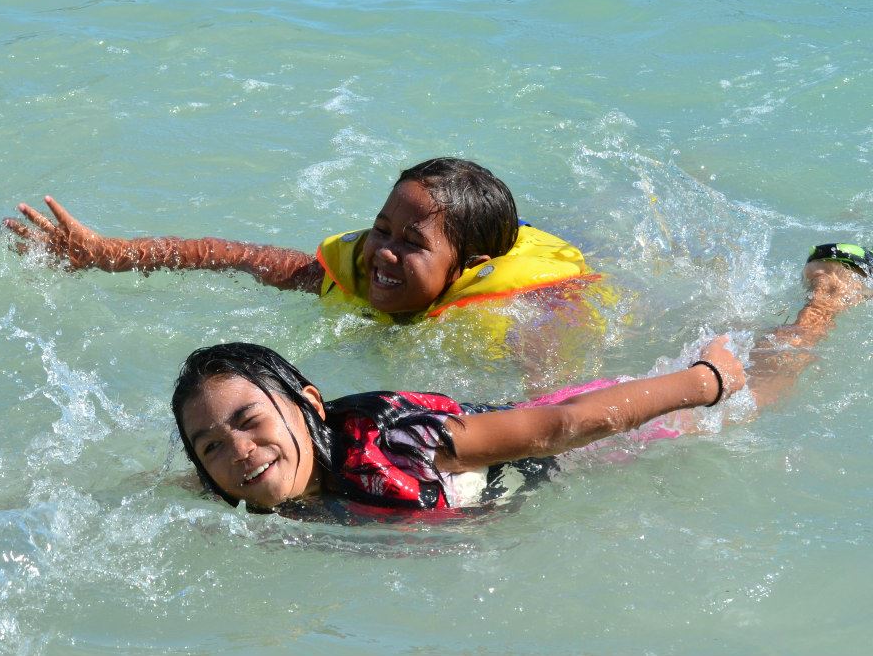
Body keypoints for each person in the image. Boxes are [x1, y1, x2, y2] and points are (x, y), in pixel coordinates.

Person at [169, 245, 872, 514]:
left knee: (757, 395)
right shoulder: (244, 489)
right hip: (519, 429)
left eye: (248, 422)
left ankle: (828, 297)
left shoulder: (401, 442)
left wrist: (703, 382)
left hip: (578, 441)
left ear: (308, 405)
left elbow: (559, 427)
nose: (238, 453)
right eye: (210, 447)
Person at [2, 158, 596, 324]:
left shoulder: (517, 315)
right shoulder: (345, 276)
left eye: (411, 243)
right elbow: (231, 255)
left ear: (469, 268)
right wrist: (109, 256)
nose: (383, 252)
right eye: (380, 229)